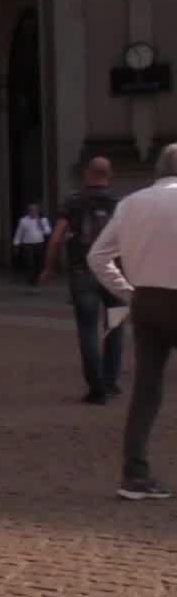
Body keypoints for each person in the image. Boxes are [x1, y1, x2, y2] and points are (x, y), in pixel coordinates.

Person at [86, 143, 177, 501]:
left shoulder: (130, 203)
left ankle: (134, 473)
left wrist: (127, 292)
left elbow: (98, 256)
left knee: (146, 389)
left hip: (146, 299)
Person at [42, 156, 125, 405]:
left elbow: (56, 238)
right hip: (114, 273)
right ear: (110, 176)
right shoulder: (119, 204)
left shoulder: (73, 202)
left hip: (83, 272)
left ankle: (97, 389)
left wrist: (50, 267)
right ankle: (110, 382)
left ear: (87, 174)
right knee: (115, 327)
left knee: (87, 330)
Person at [12, 204, 48, 285]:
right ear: (28, 211)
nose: (33, 212)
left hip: (39, 244)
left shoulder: (43, 220)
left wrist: (40, 223)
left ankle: (38, 279)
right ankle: (31, 280)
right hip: (28, 245)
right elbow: (19, 233)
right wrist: (16, 244)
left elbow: (47, 232)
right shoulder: (23, 220)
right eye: (31, 210)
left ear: (38, 211)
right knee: (30, 263)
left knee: (39, 263)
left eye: (35, 210)